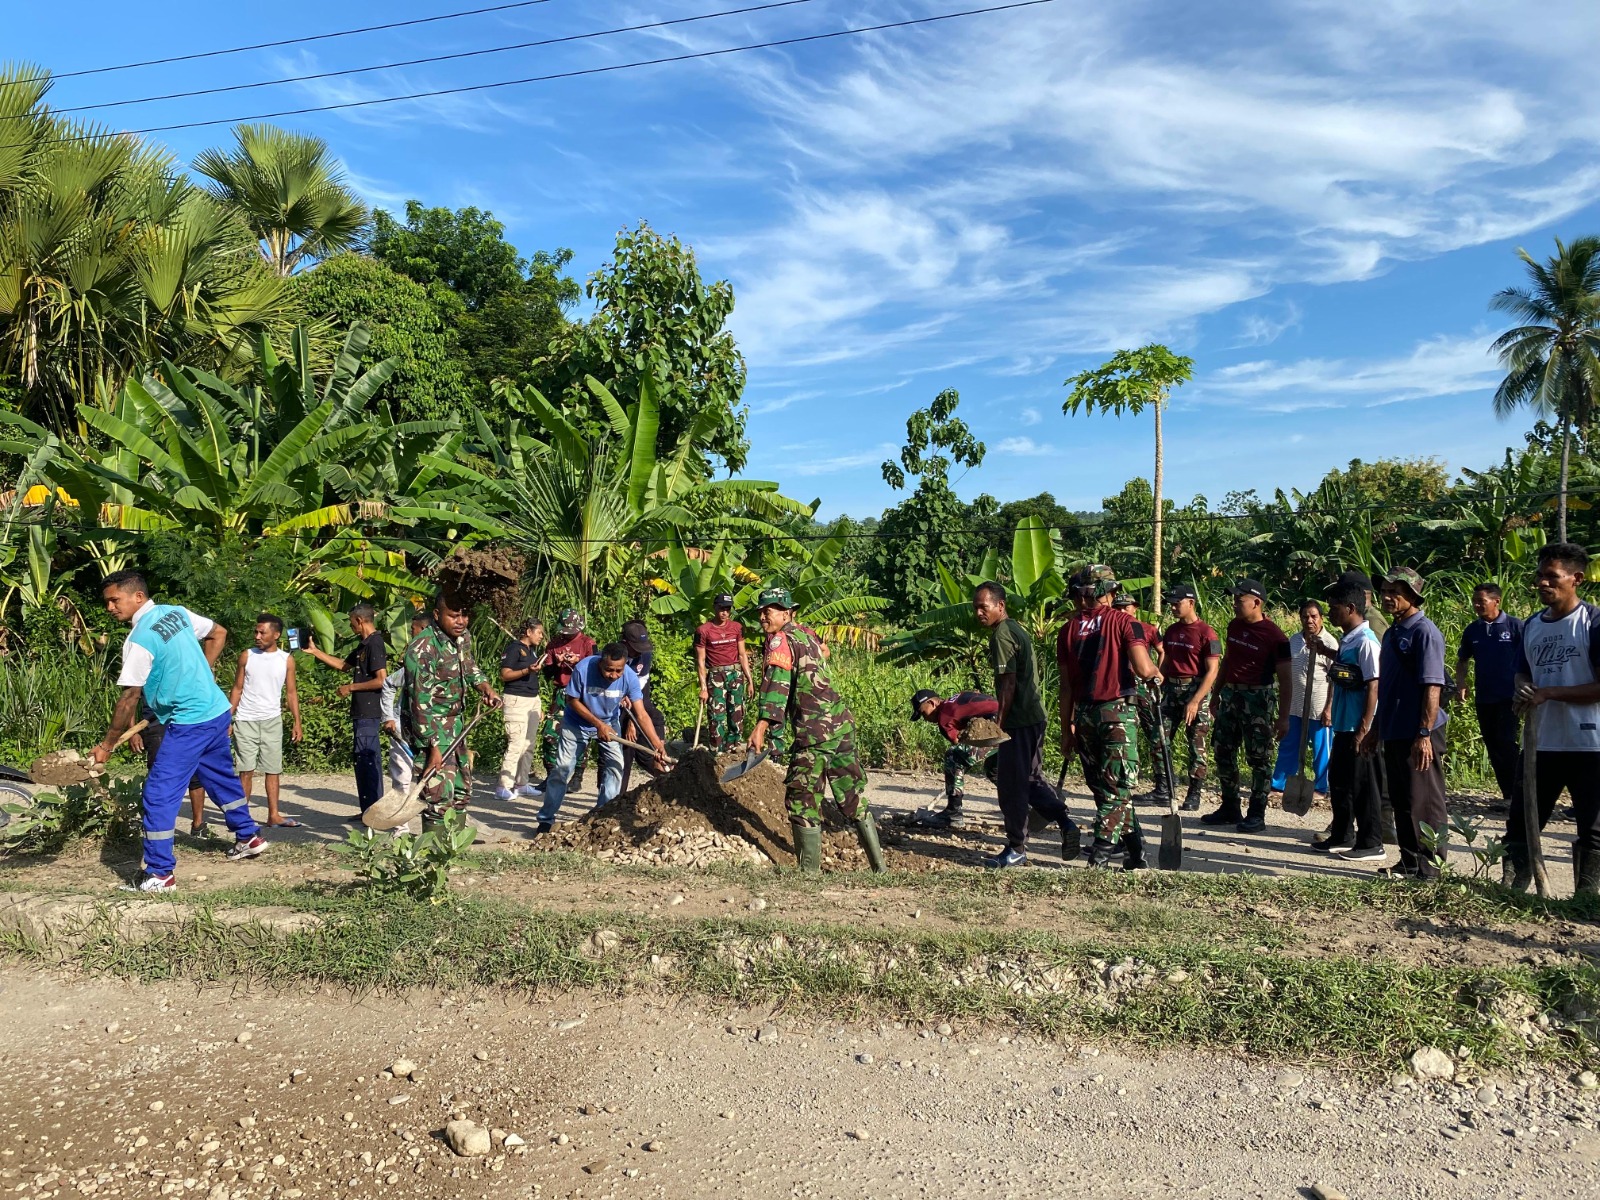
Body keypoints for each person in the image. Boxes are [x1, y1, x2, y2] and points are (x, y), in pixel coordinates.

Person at [90, 570, 265, 892]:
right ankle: (249, 836)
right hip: (215, 711)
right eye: (107, 602)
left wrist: (107, 745)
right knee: (220, 777)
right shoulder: (175, 613)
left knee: (159, 794)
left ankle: (160, 874)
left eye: (115, 600)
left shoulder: (139, 639)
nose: (110, 608)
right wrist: (203, 673)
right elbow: (219, 633)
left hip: (190, 721)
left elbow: (129, 698)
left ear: (137, 597)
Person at [748, 588, 885, 873]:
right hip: (841, 725)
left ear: (786, 612)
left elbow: (777, 686)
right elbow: (826, 651)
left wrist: (761, 726)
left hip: (815, 733)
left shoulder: (780, 641)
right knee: (852, 796)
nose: (763, 617)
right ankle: (879, 869)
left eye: (768, 611)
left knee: (802, 798)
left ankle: (808, 876)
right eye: (761, 611)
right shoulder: (807, 633)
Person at [1505, 543, 1600, 895]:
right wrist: (1525, 691)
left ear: (1576, 579)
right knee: (1522, 821)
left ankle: (1587, 897)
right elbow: (1523, 673)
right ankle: (1513, 888)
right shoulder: (1532, 626)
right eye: (1540, 575)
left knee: (1593, 828)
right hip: (1540, 742)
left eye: (1552, 576)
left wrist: (1549, 693)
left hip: (1589, 743)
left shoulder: (1593, 622)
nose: (1543, 583)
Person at [1059, 567, 1162, 869]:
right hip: (1116, 714)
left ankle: (1136, 854)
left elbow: (1065, 688)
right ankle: (1100, 857)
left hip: (1085, 715)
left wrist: (1067, 730)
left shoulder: (1067, 629)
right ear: (1108, 591)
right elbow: (1143, 669)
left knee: (1106, 788)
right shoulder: (1125, 622)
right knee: (1117, 787)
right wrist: (1157, 674)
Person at [973, 581, 1077, 868]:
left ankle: (1016, 847)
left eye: (984, 607)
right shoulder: (1017, 629)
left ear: (1000, 605)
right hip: (1035, 717)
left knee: (1011, 786)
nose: (979, 613)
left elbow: (1008, 683)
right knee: (1030, 779)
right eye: (976, 608)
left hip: (1018, 721)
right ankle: (1066, 822)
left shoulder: (1002, 636)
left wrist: (999, 724)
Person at [1361, 567, 1449, 879]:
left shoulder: (1424, 632)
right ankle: (1409, 861)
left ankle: (1430, 867)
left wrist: (1424, 733)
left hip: (1420, 730)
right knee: (1401, 798)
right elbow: (1389, 685)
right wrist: (1376, 728)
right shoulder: (1394, 632)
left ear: (1412, 596)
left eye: (1394, 592)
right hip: (1395, 727)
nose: (1387, 597)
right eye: (1384, 591)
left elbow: (1432, 686)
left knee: (1423, 800)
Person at [535, 642, 667, 833]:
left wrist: (657, 744)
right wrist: (598, 725)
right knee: (561, 770)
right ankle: (546, 820)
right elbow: (572, 701)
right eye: (608, 670)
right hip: (576, 724)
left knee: (615, 767)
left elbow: (642, 714)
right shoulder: (584, 669)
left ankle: (602, 815)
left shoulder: (629, 676)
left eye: (618, 670)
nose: (613, 675)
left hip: (609, 724)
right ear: (600, 662)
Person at [1202, 580, 1292, 834]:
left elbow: (1286, 680)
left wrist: (1283, 717)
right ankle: (1230, 806)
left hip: (1259, 700)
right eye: (1234, 599)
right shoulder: (1234, 626)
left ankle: (1256, 812)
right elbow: (1228, 660)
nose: (1234, 604)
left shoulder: (1276, 637)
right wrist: (1217, 693)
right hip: (1231, 696)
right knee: (1223, 751)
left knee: (1259, 758)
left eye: (1239, 600)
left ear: (1257, 602)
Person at [405, 591, 501, 822]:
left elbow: (469, 667)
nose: (461, 621)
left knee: (461, 792)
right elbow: (418, 702)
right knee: (437, 797)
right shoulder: (423, 648)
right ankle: (436, 855)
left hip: (456, 726)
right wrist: (432, 748)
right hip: (432, 729)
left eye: (465, 615)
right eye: (454, 615)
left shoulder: (462, 637)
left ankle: (454, 851)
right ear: (437, 615)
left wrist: (485, 688)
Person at [1312, 585, 1384, 860]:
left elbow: (1373, 685)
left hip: (1358, 726)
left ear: (1351, 609)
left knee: (1364, 785)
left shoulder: (1366, 640)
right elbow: (1348, 671)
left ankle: (1371, 842)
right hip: (1342, 724)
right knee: (1341, 782)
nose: (1330, 612)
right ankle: (1342, 835)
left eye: (1333, 608)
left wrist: (1365, 729)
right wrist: (1326, 652)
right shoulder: (1348, 640)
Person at [304, 602, 388, 821]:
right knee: (361, 762)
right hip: (360, 713)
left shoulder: (375, 644)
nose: (350, 627)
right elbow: (343, 665)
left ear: (359, 621)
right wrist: (315, 651)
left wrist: (351, 687)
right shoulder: (363, 644)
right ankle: (366, 811)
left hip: (370, 712)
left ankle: (375, 813)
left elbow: (381, 680)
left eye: (351, 623)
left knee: (369, 761)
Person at [227, 613, 303, 828]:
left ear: (276, 635)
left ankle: (274, 815)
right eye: (256, 631)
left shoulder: (286, 659)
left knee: (273, 769)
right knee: (246, 770)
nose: (257, 636)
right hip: (245, 720)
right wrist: (228, 718)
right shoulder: (247, 656)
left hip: (272, 720)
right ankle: (242, 818)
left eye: (263, 632)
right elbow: (237, 688)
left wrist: (297, 721)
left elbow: (291, 692)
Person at [1456, 582, 1524, 811]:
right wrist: (1461, 683)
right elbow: (1463, 659)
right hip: (1485, 697)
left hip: (1510, 696)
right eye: (1474, 601)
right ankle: (1508, 795)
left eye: (1481, 601)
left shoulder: (1515, 626)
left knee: (1507, 743)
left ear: (1497, 601)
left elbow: (1529, 658)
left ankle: (1520, 794)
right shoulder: (1473, 630)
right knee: (1493, 744)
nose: (1476, 605)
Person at [1157, 584, 1221, 812]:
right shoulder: (1172, 631)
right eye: (1171, 603)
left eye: (1177, 603)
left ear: (1191, 603)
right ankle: (1165, 787)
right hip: (1171, 690)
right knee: (1160, 739)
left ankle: (1194, 792)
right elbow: (1166, 661)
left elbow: (1213, 670)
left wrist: (1195, 701)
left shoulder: (1207, 633)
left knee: (1197, 744)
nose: (1173, 607)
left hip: (1195, 690)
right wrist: (1157, 678)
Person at [1270, 600, 1337, 798]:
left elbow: (1334, 679)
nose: (1309, 620)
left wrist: (1329, 708)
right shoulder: (1294, 641)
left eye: (1314, 616)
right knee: (1288, 745)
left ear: (1321, 618)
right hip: (1295, 706)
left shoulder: (1330, 643)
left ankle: (1320, 787)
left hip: (1318, 707)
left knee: (1321, 749)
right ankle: (1279, 785)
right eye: (1305, 616)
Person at [911, 687, 999, 827]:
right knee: (994, 769)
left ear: (932, 703)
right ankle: (1026, 805)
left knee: (954, 756)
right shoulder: (954, 700)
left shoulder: (944, 717)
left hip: (996, 726)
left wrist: (957, 772)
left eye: (923, 713)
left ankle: (953, 814)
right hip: (1010, 720)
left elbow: (960, 746)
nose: (925, 719)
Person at [1111, 593, 1166, 805]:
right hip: (1122, 685)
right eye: (1119, 607)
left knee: (1155, 732)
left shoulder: (1147, 628)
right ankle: (1122, 778)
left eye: (1127, 607)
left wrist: (1158, 673)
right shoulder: (1112, 627)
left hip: (1143, 684)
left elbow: (1162, 650)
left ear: (1135, 607)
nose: (1123, 611)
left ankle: (1162, 783)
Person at [538, 609, 597, 787]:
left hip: (582, 693)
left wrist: (579, 662)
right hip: (561, 693)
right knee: (549, 733)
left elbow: (597, 669)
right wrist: (557, 663)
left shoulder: (588, 643)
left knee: (582, 733)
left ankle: (577, 776)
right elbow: (547, 673)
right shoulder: (553, 644)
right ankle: (551, 775)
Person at [695, 594, 754, 750]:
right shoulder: (703, 631)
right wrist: (703, 688)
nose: (724, 613)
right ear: (715, 608)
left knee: (736, 712)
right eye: (721, 609)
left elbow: (742, 655)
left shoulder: (737, 628)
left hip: (735, 674)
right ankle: (717, 749)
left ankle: (734, 745)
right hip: (716, 676)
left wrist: (750, 680)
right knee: (716, 714)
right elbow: (701, 661)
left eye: (727, 609)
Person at [496, 619, 546, 801]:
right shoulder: (514, 648)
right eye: (539, 632)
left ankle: (522, 783)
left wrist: (538, 705)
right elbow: (505, 674)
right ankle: (503, 786)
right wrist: (527, 671)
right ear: (528, 631)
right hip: (516, 700)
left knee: (528, 744)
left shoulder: (532, 651)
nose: (541, 636)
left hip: (532, 700)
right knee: (516, 744)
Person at [380, 613, 429, 796]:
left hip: (431, 729)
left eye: (413, 629)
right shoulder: (413, 662)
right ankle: (400, 823)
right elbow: (389, 683)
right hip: (404, 725)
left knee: (430, 776)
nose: (411, 633)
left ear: (423, 630)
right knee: (402, 775)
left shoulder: (440, 659)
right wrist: (389, 717)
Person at [618, 619, 667, 795]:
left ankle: (664, 776)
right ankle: (616, 798)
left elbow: (639, 687)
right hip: (615, 706)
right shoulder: (615, 655)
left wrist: (633, 721)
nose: (640, 651)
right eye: (636, 646)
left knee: (655, 720)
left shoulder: (644, 654)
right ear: (625, 643)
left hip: (637, 701)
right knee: (625, 753)